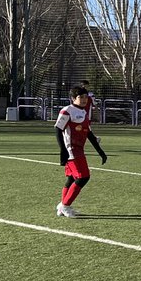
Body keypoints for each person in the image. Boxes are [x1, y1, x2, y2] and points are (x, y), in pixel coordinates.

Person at [54, 85, 106, 217]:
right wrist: (63, 150)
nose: (84, 100)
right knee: (83, 177)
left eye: (85, 97)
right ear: (73, 98)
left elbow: (89, 134)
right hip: (71, 150)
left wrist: (100, 151)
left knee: (71, 178)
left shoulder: (83, 112)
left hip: (79, 149)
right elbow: (58, 129)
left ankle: (62, 206)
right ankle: (65, 205)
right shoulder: (67, 111)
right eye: (80, 97)